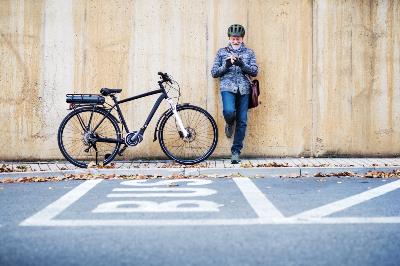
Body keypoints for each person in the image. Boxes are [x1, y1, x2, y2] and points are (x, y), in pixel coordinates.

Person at [211, 24, 258, 164]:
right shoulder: (221, 52)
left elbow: (255, 71)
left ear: (242, 39)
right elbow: (214, 72)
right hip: (227, 88)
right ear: (230, 38)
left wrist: (243, 65)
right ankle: (229, 122)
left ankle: (236, 151)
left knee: (242, 121)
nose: (236, 41)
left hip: (244, 90)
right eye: (233, 38)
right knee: (229, 111)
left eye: (238, 39)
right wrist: (227, 64)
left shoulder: (249, 53)